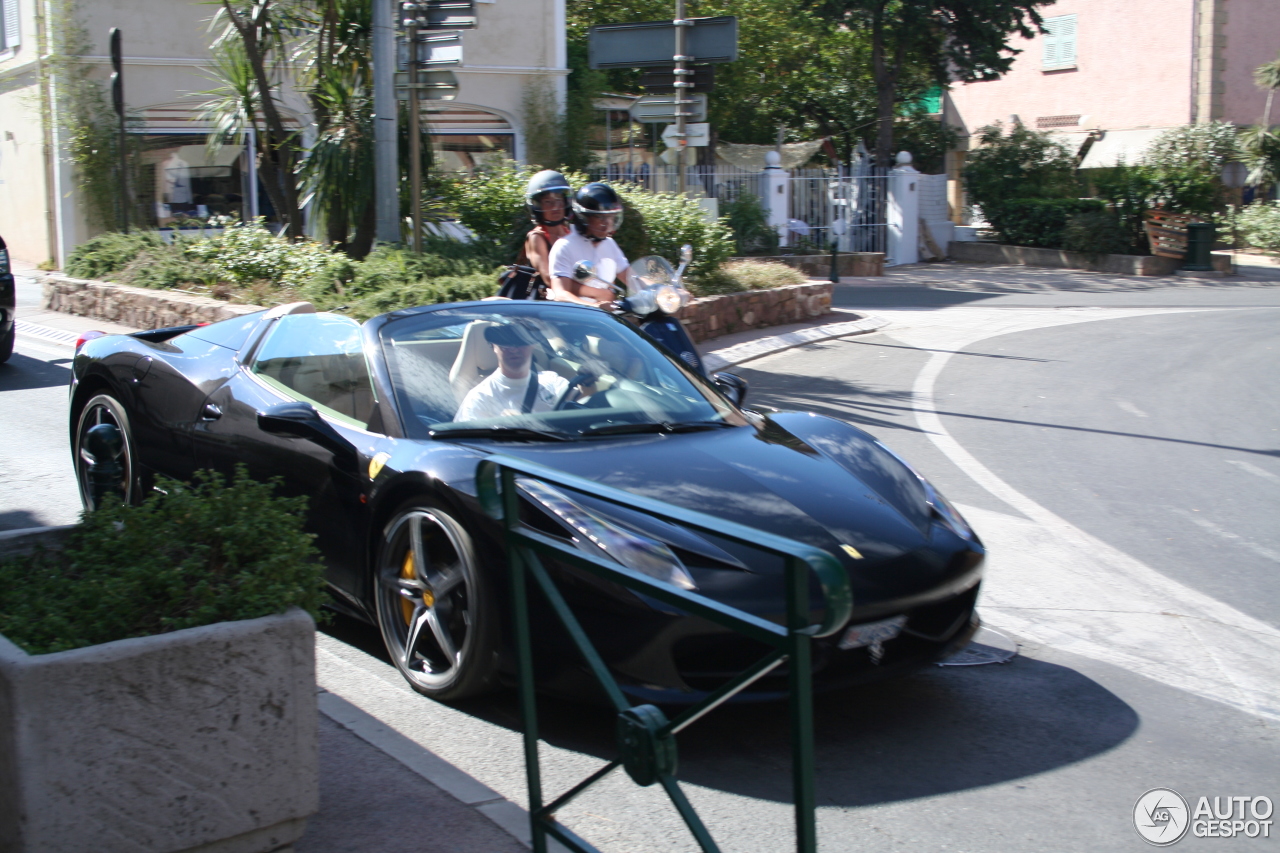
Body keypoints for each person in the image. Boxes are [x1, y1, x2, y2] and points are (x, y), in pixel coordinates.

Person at [454, 322, 569, 421]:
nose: (513, 350)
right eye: (505, 343)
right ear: (493, 346)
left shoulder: (552, 381)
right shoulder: (480, 397)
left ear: (532, 344)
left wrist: (586, 384)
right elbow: (465, 442)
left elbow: (581, 406)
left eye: (520, 342)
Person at [548, 182, 630, 306]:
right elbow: (560, 294)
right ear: (584, 217)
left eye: (611, 217)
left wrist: (660, 291)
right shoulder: (564, 246)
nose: (607, 223)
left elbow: (630, 276)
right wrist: (594, 307)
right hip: (577, 320)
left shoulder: (610, 244)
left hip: (606, 318)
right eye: (600, 218)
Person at [520, 170, 573, 297]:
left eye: (559, 200)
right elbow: (549, 278)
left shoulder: (569, 232)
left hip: (571, 296)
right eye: (548, 202)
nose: (555, 207)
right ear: (537, 206)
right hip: (547, 302)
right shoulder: (537, 237)